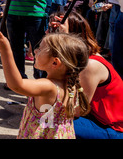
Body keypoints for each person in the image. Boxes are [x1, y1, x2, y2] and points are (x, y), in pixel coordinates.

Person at [0, 27, 90, 138]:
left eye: (40, 49)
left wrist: (5, 50)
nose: (35, 50)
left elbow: (17, 85)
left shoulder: (48, 86)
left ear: (55, 62)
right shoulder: (72, 84)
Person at [50, 11, 123, 139]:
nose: (48, 35)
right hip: (98, 118)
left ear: (73, 36)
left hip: (114, 128)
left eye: (55, 31)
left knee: (52, 120)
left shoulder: (90, 65)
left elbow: (78, 110)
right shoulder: (80, 59)